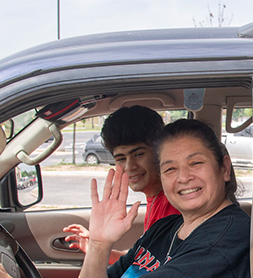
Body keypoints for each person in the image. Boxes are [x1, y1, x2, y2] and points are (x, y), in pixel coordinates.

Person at [0, 119, 251, 278]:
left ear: (224, 168)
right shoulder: (169, 227)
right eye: (170, 168)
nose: (182, 177)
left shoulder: (225, 239)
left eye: (195, 163)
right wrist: (99, 243)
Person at [63, 106, 179, 264]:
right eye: (121, 158)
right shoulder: (155, 199)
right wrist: (98, 247)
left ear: (160, 153)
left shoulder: (175, 206)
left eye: (138, 154)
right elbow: (144, 259)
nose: (130, 166)